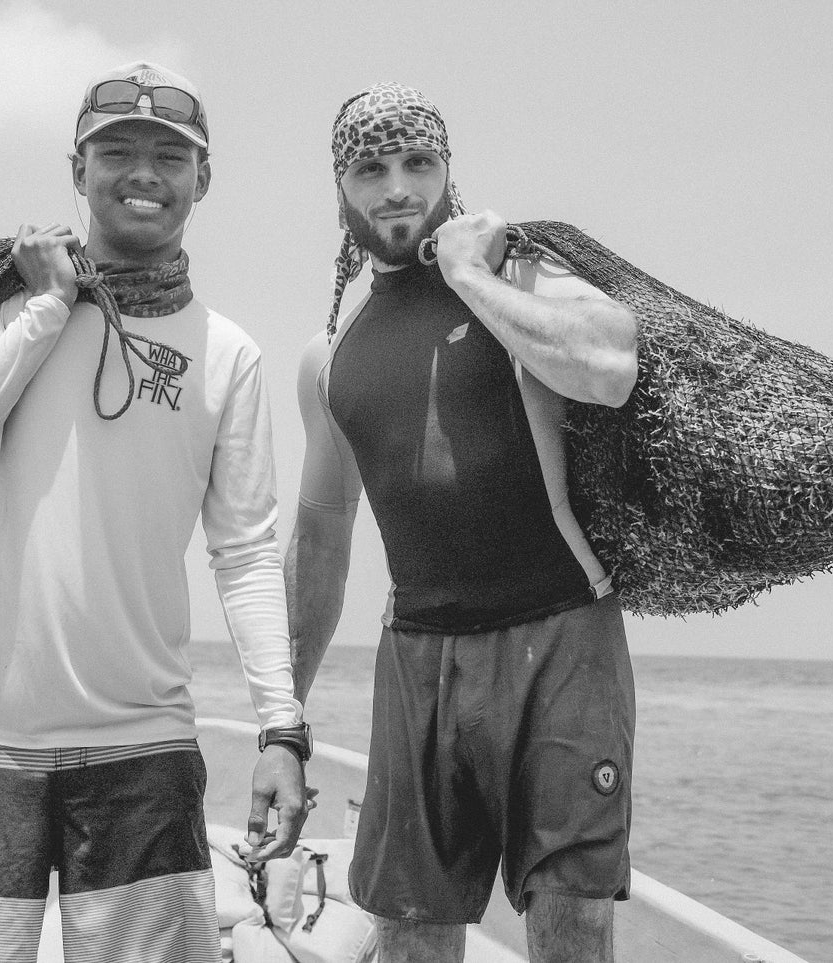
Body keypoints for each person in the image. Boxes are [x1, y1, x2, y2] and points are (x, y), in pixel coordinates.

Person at [0, 61, 312, 963]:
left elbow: (245, 552)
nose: (142, 173)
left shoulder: (228, 353)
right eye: (116, 151)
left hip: (141, 746)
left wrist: (281, 728)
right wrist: (48, 307)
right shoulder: (8, 310)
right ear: (77, 171)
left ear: (203, 178)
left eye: (170, 156)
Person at [287, 82, 640, 963]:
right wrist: (282, 716)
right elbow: (322, 538)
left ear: (448, 170)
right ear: (340, 190)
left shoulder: (518, 275)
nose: (396, 187)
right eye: (370, 169)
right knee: (409, 931)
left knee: (569, 922)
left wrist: (469, 274)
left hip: (561, 635)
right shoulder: (329, 356)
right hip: (417, 656)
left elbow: (608, 365)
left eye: (417, 162)